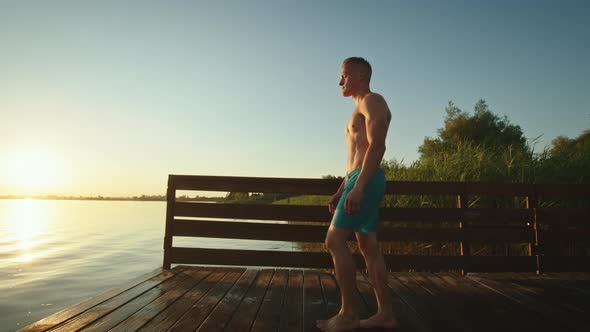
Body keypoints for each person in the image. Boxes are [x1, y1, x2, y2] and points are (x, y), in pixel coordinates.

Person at [317, 57, 396, 331]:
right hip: (359, 179)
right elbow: (355, 159)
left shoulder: (372, 101)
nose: (340, 81)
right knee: (368, 247)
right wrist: (342, 189)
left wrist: (359, 187)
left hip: (366, 180)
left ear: (361, 74)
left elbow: (377, 147)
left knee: (334, 240)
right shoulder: (357, 111)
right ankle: (385, 314)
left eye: (344, 75)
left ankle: (348, 315)